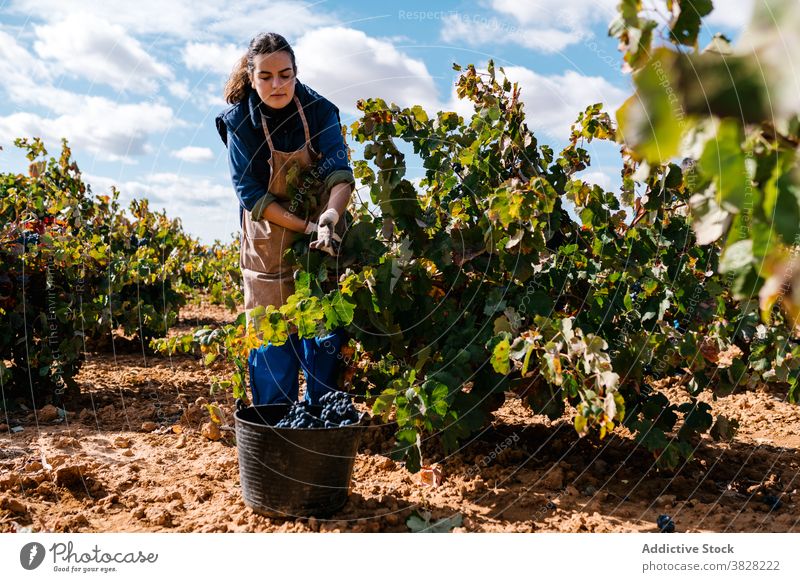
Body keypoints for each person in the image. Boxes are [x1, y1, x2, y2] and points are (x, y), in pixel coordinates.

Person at [215, 32, 353, 406]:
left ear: (296, 72)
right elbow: (254, 197)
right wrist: (305, 226)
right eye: (266, 76)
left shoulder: (320, 111)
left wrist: (328, 216)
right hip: (267, 242)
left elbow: (340, 175)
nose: (277, 84)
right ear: (252, 75)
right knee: (271, 339)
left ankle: (322, 420)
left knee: (323, 335)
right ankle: (276, 426)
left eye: (285, 74)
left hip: (320, 243)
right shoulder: (241, 121)